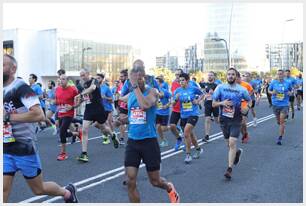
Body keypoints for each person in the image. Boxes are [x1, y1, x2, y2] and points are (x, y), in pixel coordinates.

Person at [3, 54, 78, 203]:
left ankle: (67, 192)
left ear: (13, 68)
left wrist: (8, 117)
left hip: (24, 147)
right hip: (5, 148)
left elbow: (39, 115)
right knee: (3, 189)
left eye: (2, 65)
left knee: (38, 189)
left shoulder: (20, 87)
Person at [121, 59, 180, 203]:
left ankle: (169, 187)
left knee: (155, 181)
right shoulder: (130, 96)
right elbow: (132, 114)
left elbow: (145, 105)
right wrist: (121, 119)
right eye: (134, 78)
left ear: (144, 77)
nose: (137, 81)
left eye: (139, 78)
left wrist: (135, 86)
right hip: (133, 142)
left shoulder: (152, 92)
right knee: (130, 181)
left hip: (149, 142)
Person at [212, 67, 251, 180]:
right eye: (228, 74)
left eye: (232, 74)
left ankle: (229, 169)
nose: (230, 76)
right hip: (224, 119)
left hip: (236, 119)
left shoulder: (242, 90)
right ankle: (237, 153)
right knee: (229, 145)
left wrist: (246, 108)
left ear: (236, 76)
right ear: (226, 76)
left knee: (232, 142)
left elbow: (249, 100)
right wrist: (222, 103)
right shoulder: (220, 87)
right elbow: (213, 104)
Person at [75, 68, 119, 162]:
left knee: (103, 127)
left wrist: (81, 94)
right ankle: (84, 154)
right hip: (88, 109)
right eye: (81, 75)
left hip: (98, 108)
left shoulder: (94, 81)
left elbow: (92, 88)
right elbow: (84, 98)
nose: (82, 77)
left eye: (83, 75)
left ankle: (113, 135)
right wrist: (75, 105)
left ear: (88, 74)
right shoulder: (82, 85)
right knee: (84, 129)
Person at [174, 73, 204, 164]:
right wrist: (176, 99)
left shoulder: (193, 88)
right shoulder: (178, 90)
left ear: (187, 80)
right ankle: (198, 149)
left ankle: (188, 154)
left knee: (186, 133)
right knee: (190, 134)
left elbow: (202, 94)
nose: (181, 82)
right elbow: (173, 103)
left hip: (193, 114)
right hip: (183, 115)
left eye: (183, 80)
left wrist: (198, 101)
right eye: (180, 80)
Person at [55, 74, 80, 160]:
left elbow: (79, 102)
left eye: (63, 79)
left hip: (69, 114)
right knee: (63, 133)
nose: (61, 81)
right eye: (60, 79)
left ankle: (63, 153)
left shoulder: (73, 90)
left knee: (62, 131)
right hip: (60, 113)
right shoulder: (57, 89)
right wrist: (54, 103)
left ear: (67, 80)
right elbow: (57, 101)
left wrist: (72, 107)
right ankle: (77, 133)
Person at [268, 69, 293, 145]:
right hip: (275, 104)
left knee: (282, 122)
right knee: (278, 121)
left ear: (283, 75)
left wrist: (290, 93)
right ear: (277, 75)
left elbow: (292, 91)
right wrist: (272, 92)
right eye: (278, 74)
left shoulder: (287, 83)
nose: (280, 75)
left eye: (281, 74)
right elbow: (269, 90)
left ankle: (280, 138)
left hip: (284, 105)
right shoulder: (273, 82)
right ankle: (282, 128)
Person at [200, 71, 219, 142]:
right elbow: (202, 93)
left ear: (214, 77)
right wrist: (201, 100)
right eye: (209, 75)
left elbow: (219, 95)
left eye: (211, 75)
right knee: (207, 119)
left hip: (215, 103)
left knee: (217, 120)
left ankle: (225, 126)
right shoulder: (204, 84)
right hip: (207, 103)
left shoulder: (217, 85)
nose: (210, 76)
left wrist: (213, 93)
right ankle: (207, 135)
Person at [96, 73, 115, 144]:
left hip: (108, 108)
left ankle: (112, 136)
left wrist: (105, 97)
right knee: (97, 124)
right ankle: (107, 134)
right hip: (99, 109)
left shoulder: (106, 88)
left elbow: (112, 99)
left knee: (109, 123)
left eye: (99, 78)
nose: (97, 80)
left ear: (102, 79)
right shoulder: (95, 88)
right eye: (96, 78)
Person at [169, 69, 185, 151]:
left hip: (185, 110)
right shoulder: (174, 83)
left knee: (185, 128)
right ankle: (179, 138)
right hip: (175, 109)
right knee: (172, 126)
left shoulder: (187, 84)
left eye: (178, 75)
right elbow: (172, 95)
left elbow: (197, 92)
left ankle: (187, 143)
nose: (177, 77)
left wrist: (197, 101)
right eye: (176, 75)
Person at [237, 72, 254, 144]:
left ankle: (245, 133)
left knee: (243, 122)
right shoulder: (232, 85)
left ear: (239, 77)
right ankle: (244, 135)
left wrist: (247, 97)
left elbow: (252, 91)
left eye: (237, 77)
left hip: (245, 105)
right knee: (240, 124)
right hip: (237, 105)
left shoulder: (246, 84)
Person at [155, 77, 172, 147]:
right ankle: (164, 140)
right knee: (158, 127)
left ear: (161, 83)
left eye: (157, 82)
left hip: (165, 112)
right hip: (157, 112)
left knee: (163, 128)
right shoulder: (153, 91)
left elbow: (172, 99)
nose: (155, 83)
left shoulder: (165, 91)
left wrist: (167, 105)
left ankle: (173, 127)